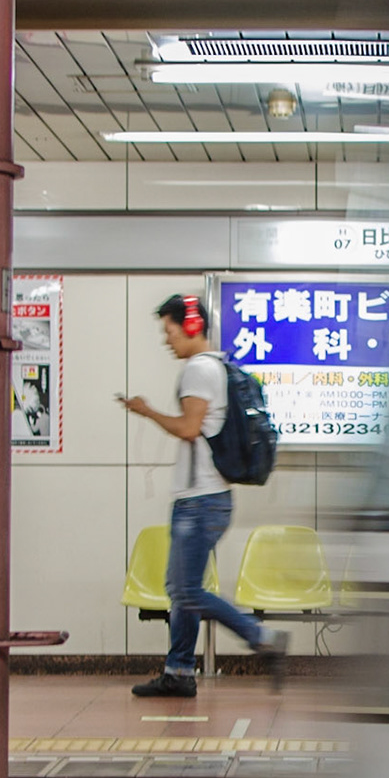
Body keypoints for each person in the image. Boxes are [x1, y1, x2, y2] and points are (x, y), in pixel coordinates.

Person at [120, 294, 289, 697]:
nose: (166, 340)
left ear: (191, 326)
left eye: (170, 330)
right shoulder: (218, 366)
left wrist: (147, 411)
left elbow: (188, 428)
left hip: (200, 501)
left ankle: (262, 638)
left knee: (186, 591)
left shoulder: (198, 369)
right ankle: (179, 671)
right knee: (182, 589)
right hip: (206, 499)